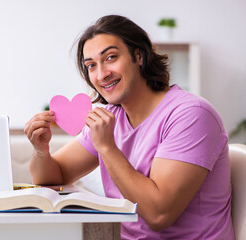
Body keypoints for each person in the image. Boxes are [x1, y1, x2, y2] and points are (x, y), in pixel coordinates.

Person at [24, 15, 234, 239]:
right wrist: (41, 151)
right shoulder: (113, 116)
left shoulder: (191, 115)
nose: (102, 74)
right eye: (91, 66)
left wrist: (107, 147)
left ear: (139, 56)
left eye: (111, 57)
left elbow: (158, 215)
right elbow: (52, 178)